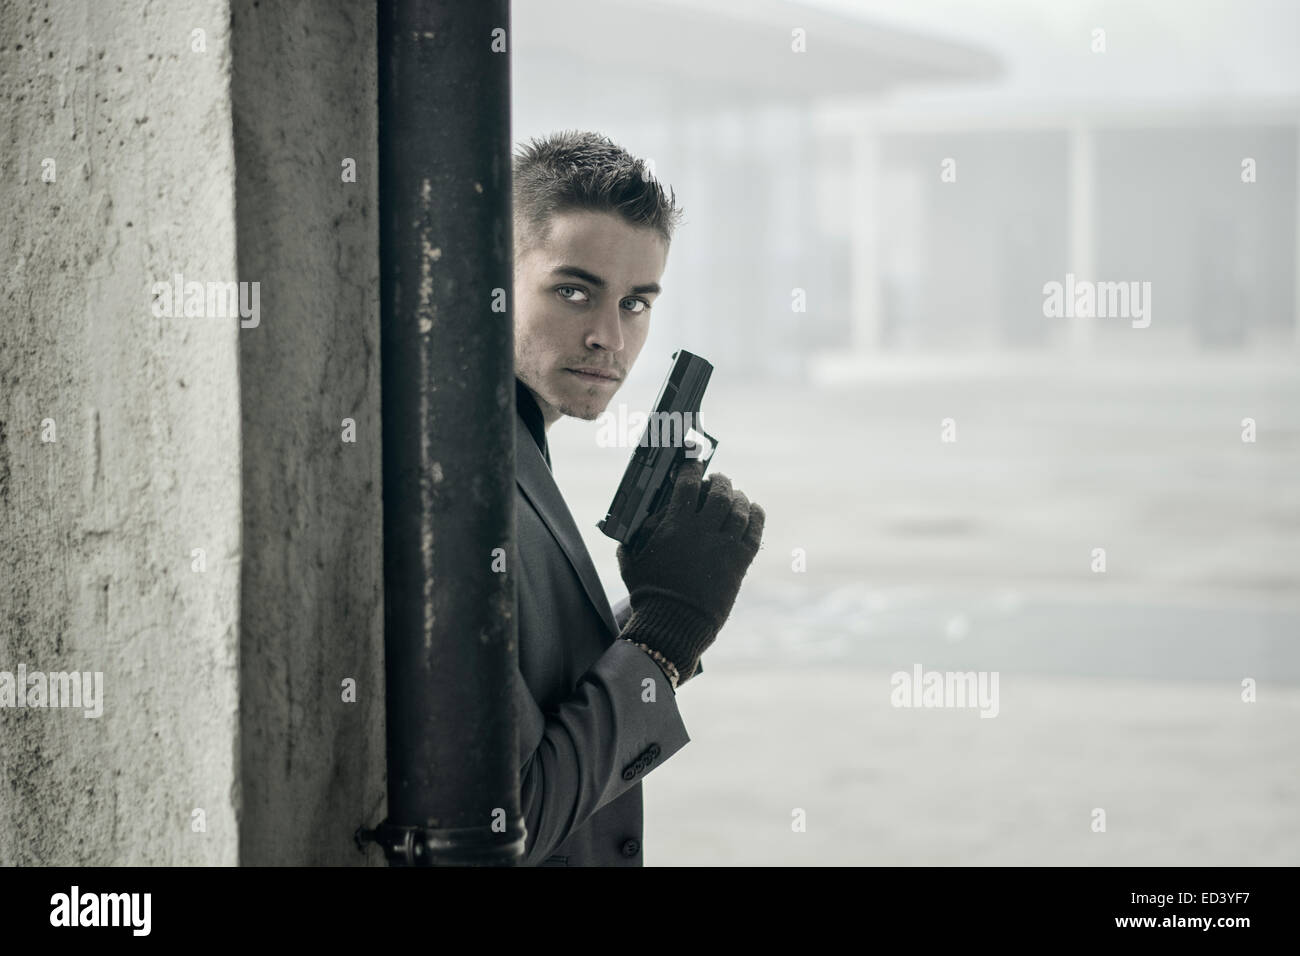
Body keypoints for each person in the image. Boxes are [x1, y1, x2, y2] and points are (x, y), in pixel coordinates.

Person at [511, 130, 764, 865]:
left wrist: (656, 601)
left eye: (636, 302)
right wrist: (666, 635)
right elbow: (513, 820)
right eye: (573, 291)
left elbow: (538, 681)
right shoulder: (468, 485)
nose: (608, 337)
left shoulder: (516, 449)